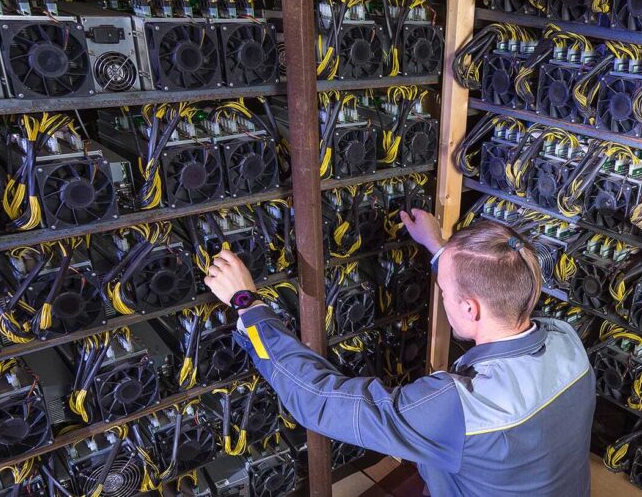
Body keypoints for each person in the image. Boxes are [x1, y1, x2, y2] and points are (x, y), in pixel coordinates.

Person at [204, 210, 595, 496]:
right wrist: (440, 249)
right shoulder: (567, 342)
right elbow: (489, 286)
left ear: (470, 307)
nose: (442, 297)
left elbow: (317, 401)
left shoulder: (459, 407)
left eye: (444, 292)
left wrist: (247, 304)